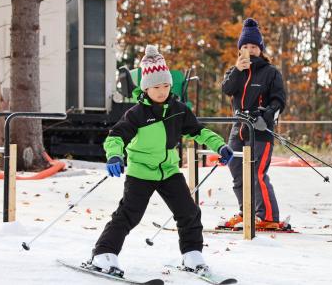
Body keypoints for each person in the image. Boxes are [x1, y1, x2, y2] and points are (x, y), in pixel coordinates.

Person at [88, 45, 234, 277]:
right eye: (156, 86)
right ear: (146, 87)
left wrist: (220, 145)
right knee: (129, 214)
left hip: (168, 170)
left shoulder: (178, 110)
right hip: (141, 171)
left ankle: (192, 254)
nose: (162, 90)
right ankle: (104, 254)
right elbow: (116, 136)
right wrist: (114, 155)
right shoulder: (136, 113)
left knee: (188, 211)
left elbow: (199, 131)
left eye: (166, 85)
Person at [220, 18, 286, 229]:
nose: (250, 50)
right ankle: (245, 212)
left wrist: (265, 116)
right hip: (238, 127)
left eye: (254, 46)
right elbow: (227, 90)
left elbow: (279, 101)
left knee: (257, 172)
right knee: (236, 169)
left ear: (260, 49)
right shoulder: (234, 72)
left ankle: (267, 216)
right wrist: (238, 71)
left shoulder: (271, 72)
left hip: (260, 128)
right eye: (245, 47)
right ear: (240, 50)